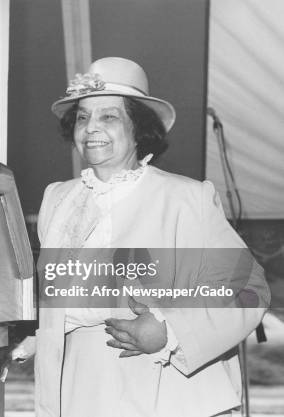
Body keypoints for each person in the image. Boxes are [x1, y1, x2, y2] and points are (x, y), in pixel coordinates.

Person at [17, 57, 270, 417]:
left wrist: (170, 331)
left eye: (109, 116)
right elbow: (58, 301)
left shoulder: (187, 198)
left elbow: (248, 290)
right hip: (82, 396)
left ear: (140, 128)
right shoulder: (57, 199)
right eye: (83, 116)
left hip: (171, 396)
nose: (91, 128)